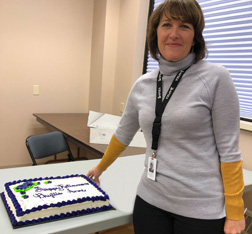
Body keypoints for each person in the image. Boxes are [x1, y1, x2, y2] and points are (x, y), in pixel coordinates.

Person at [87, 0, 245, 233]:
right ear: (155, 34)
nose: (174, 34)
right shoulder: (143, 84)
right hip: (151, 199)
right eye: (166, 25)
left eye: (184, 26)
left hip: (200, 208)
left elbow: (229, 150)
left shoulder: (216, 78)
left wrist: (234, 211)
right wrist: (100, 168)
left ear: (195, 36)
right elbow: (123, 133)